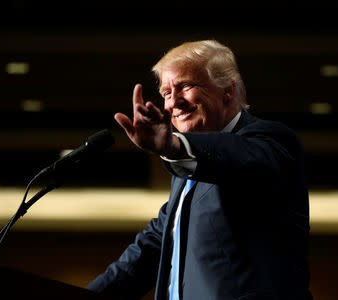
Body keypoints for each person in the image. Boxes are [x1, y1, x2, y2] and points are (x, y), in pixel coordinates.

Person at [87, 40, 313, 300]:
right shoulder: (186, 173)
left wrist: (174, 146)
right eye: (166, 93)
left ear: (227, 90)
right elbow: (151, 248)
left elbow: (235, 158)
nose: (173, 103)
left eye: (185, 86)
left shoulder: (270, 141)